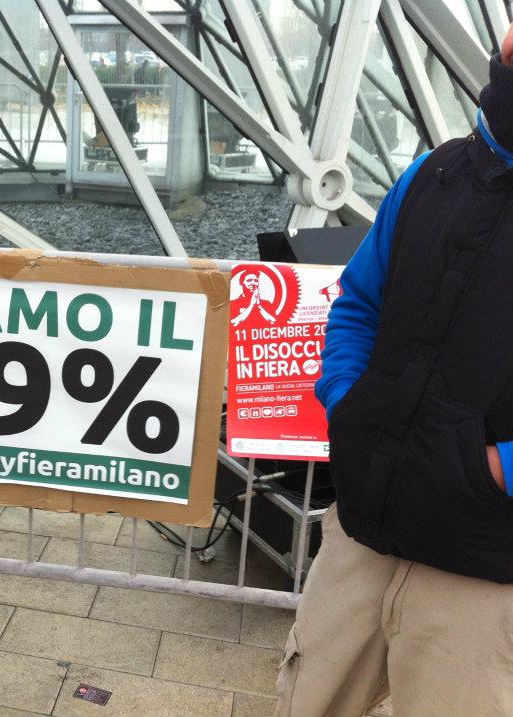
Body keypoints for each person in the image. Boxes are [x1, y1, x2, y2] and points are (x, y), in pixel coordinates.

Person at [274, 26, 513, 717]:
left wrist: (492, 469)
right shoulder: (433, 174)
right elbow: (359, 303)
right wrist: (351, 405)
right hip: (365, 532)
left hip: (485, 569)